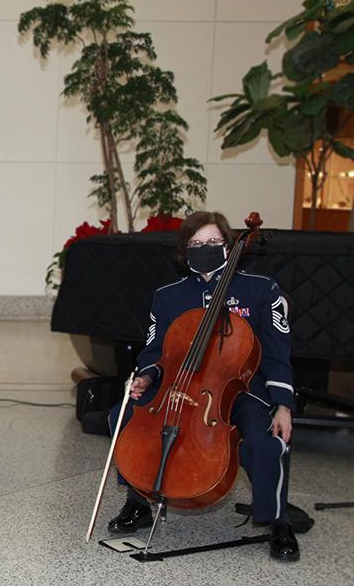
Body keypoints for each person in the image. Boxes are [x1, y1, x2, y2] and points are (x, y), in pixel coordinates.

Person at [106, 210, 300, 562]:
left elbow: (276, 353)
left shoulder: (259, 290)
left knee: (265, 438)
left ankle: (279, 521)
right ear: (185, 250)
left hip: (240, 390)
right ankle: (138, 502)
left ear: (229, 246)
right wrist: (146, 377)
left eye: (213, 242)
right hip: (178, 386)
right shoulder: (168, 296)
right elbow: (153, 351)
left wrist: (284, 404)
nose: (205, 248)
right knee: (122, 415)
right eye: (196, 243)